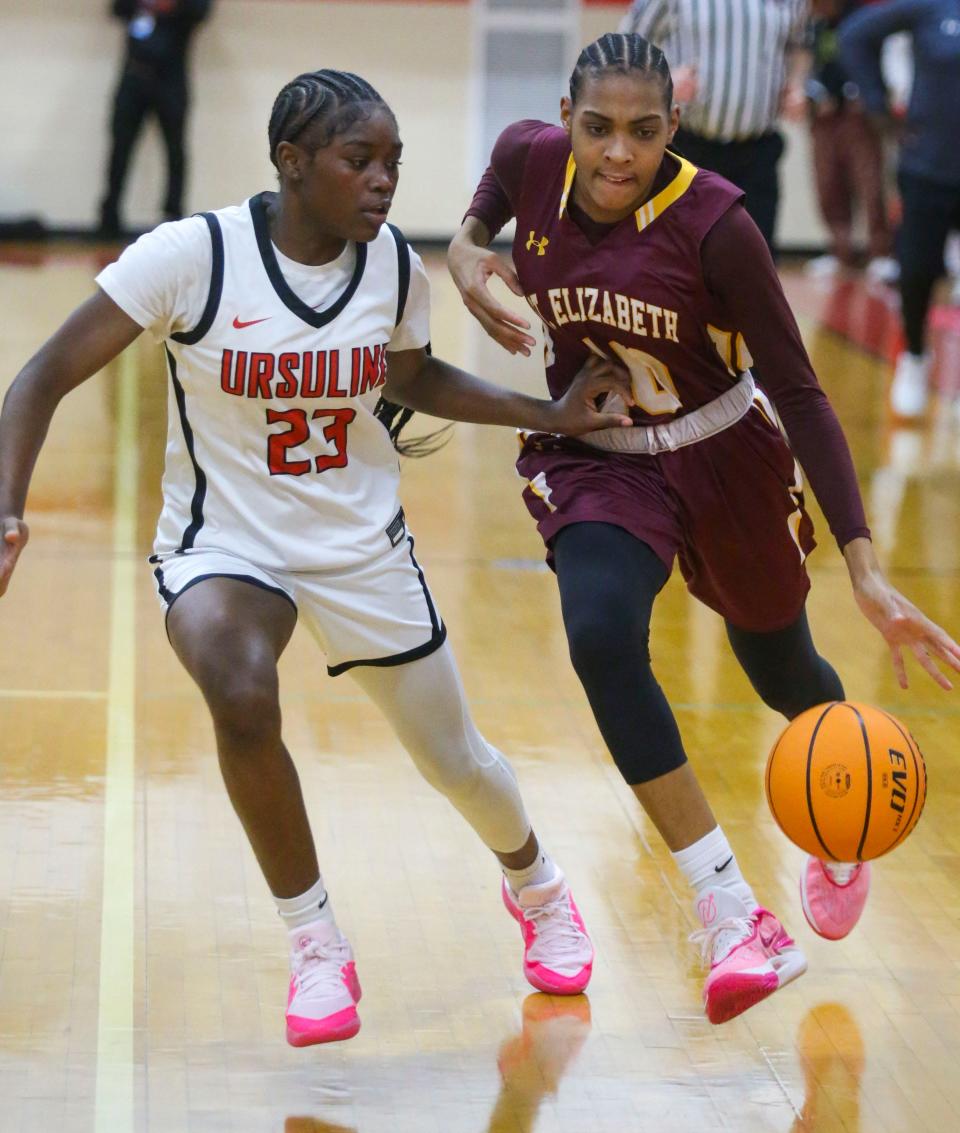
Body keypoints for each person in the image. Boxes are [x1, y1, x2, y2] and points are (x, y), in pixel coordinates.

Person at [0, 70, 638, 1046]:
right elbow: (39, 376)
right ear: (292, 164)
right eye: (360, 160)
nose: (384, 181)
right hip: (225, 540)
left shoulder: (391, 271)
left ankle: (539, 884)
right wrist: (7, 508)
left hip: (357, 545)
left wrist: (546, 414)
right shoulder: (194, 256)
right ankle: (315, 941)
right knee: (241, 688)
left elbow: (415, 376)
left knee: (456, 759)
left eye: (394, 162)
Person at [447, 32, 960, 1024]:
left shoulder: (718, 224)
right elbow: (481, 214)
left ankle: (840, 811)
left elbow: (804, 393)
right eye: (596, 127)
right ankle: (730, 908)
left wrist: (863, 565)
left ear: (673, 129)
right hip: (596, 454)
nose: (615, 154)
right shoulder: (527, 159)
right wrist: (469, 249)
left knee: (781, 670)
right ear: (566, 116)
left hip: (725, 452)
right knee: (600, 635)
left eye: (643, 132)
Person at [840, 0, 960, 419]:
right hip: (929, 166)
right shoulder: (933, 7)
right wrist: (875, 103)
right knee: (917, 271)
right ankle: (914, 356)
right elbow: (854, 34)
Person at [618, 0, 810, 252]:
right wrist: (664, 79)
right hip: (689, 148)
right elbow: (626, 45)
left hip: (759, 152)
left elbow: (799, 45)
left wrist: (796, 83)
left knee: (755, 260)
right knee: (683, 256)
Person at [99, 0, 213, 236]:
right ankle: (109, 218)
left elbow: (202, 11)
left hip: (171, 78)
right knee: (120, 146)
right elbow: (116, 8)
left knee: (175, 150)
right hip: (134, 74)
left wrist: (170, 6)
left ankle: (173, 216)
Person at [804, 0, 895, 281]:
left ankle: (881, 253)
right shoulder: (816, 27)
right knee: (828, 184)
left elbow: (880, 64)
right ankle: (840, 252)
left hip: (859, 117)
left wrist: (866, 97)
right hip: (824, 118)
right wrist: (815, 96)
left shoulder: (865, 20)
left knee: (869, 183)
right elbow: (809, 65)